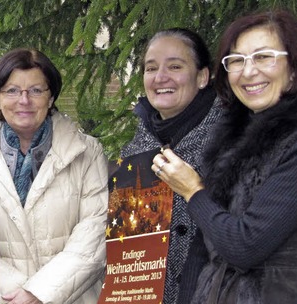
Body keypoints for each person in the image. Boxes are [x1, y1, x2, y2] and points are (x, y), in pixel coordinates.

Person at [152, 10, 297, 303]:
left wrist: (192, 190)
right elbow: (206, 246)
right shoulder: (232, 139)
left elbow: (245, 247)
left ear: (294, 65)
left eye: (264, 57)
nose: (248, 72)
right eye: (236, 61)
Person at [0, 48, 108, 304]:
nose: (24, 100)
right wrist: (20, 296)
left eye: (36, 90)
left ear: (51, 97)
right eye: (11, 91)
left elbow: (94, 237)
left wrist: (40, 293)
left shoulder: (87, 153)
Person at [119, 28, 223, 304]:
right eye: (151, 68)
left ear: (203, 77)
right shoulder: (134, 152)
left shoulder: (232, 141)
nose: (160, 77)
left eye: (175, 66)